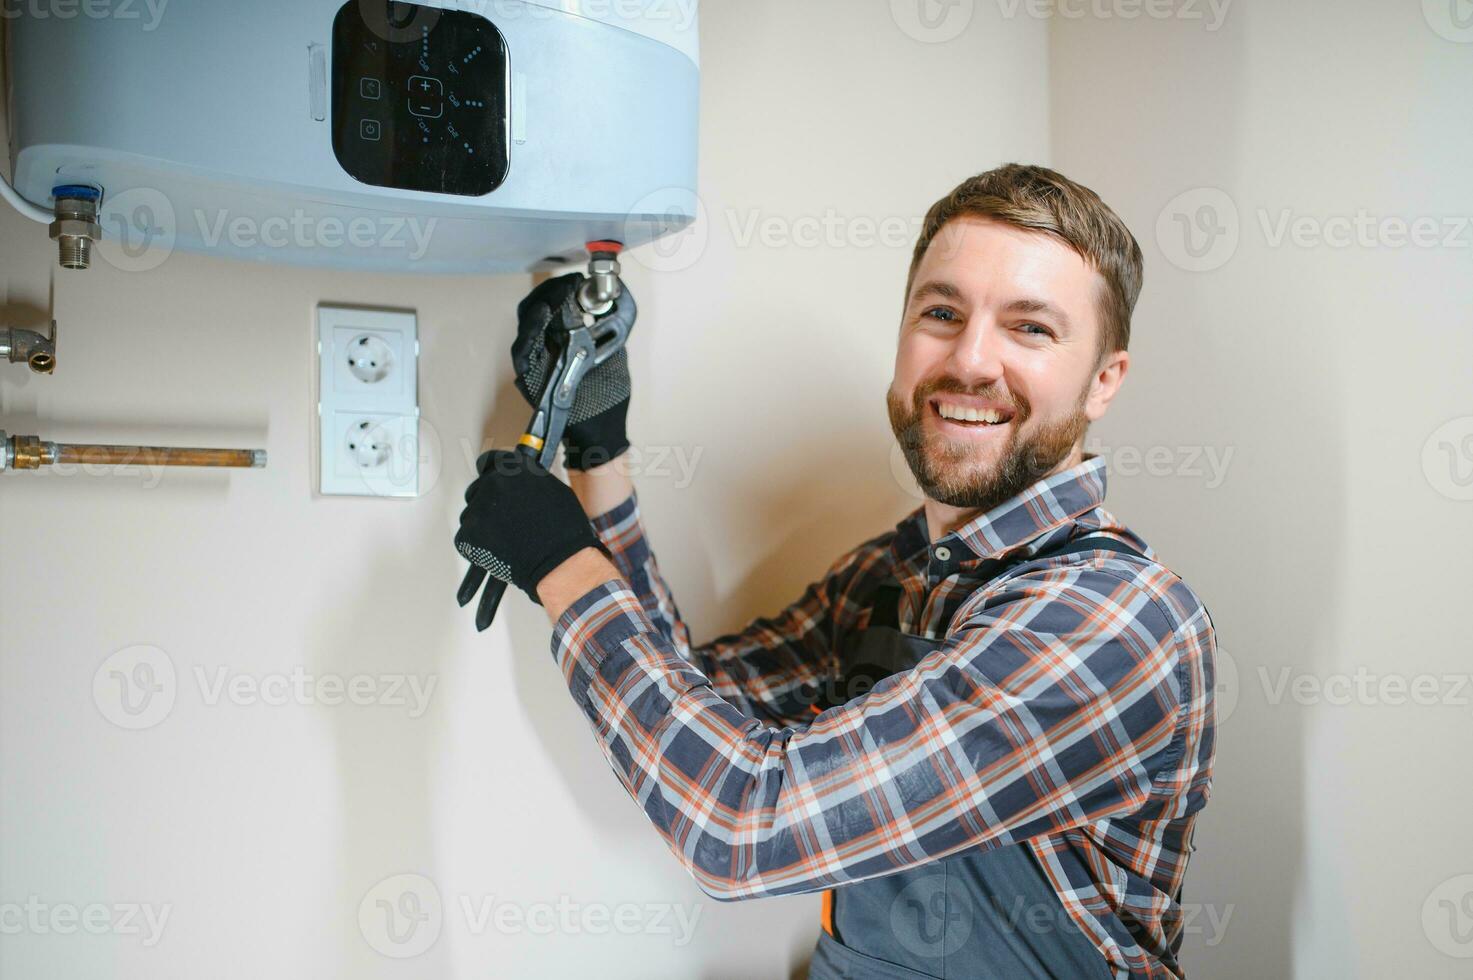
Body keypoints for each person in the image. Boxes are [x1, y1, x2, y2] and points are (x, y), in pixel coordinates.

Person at [455, 163, 1217, 979]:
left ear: (1103, 382)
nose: (968, 360)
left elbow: (736, 825)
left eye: (1029, 329)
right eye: (940, 312)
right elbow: (690, 709)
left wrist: (565, 568)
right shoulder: (901, 574)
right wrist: (598, 453)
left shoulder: (1110, 621)